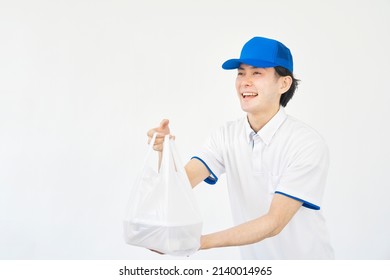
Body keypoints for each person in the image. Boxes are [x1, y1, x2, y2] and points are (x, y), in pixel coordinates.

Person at [147, 36, 334, 259]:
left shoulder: (306, 143)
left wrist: (196, 243)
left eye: (257, 73)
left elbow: (274, 223)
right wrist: (165, 151)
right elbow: (179, 187)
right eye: (241, 73)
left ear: (284, 83)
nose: (245, 82)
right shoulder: (226, 135)